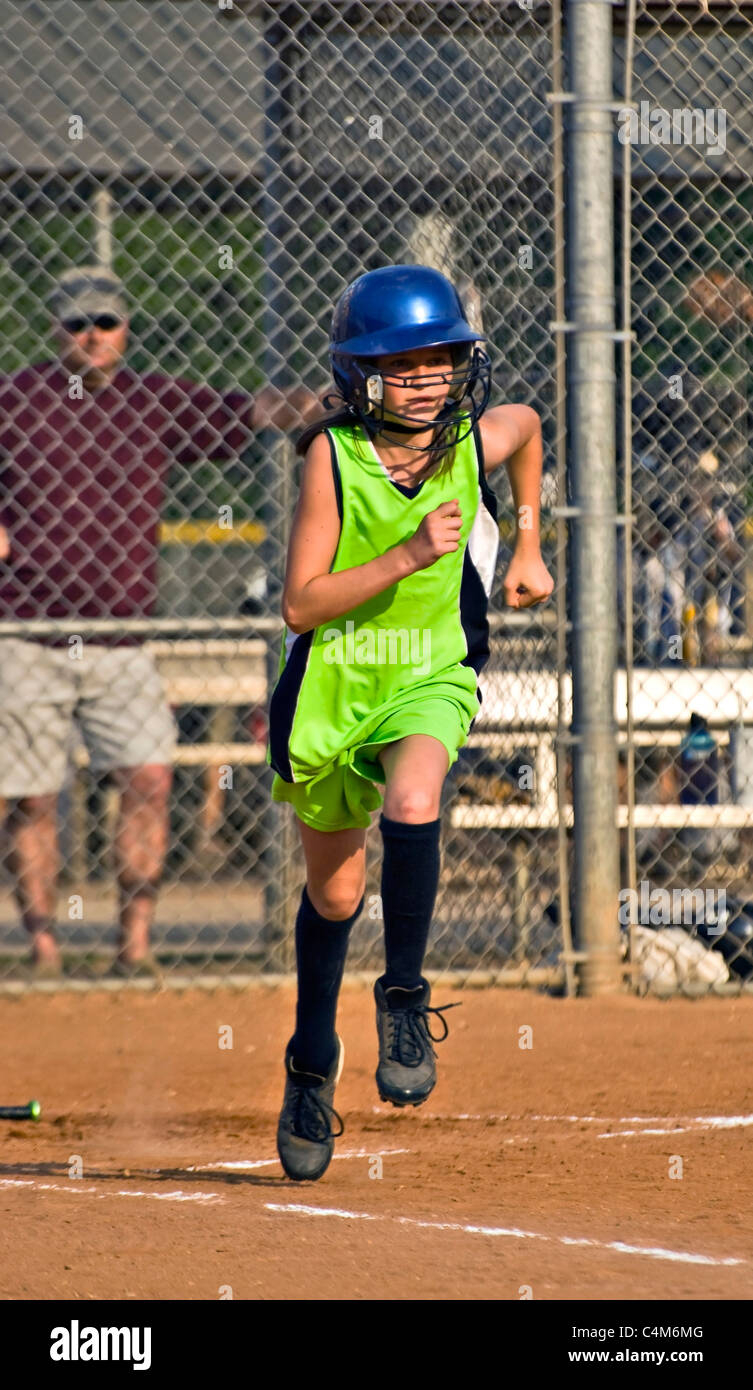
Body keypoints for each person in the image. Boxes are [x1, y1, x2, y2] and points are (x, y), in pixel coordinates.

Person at [266, 264, 554, 1180]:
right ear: (362, 373)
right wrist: (404, 554)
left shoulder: (472, 437)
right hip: (338, 684)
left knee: (417, 796)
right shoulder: (333, 458)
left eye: (443, 360)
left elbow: (530, 430)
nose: (429, 378)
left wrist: (527, 539)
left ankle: (402, 994)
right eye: (406, 363)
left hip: (429, 671)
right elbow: (302, 607)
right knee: (336, 897)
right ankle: (312, 1062)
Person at [0, 264, 318, 977]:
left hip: (122, 638)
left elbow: (257, 409)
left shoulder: (152, 401)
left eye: (105, 322)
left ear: (125, 329)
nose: (92, 336)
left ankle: (133, 947)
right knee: (31, 797)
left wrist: (340, 399)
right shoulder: (16, 398)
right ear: (56, 329)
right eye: (77, 323)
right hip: (24, 632)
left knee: (149, 779)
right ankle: (45, 949)